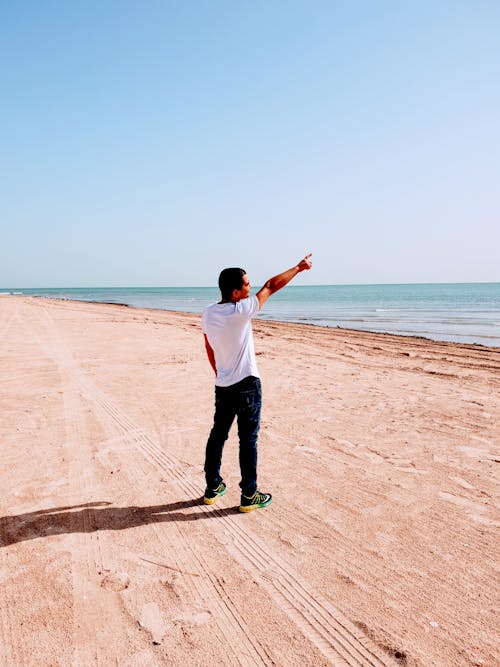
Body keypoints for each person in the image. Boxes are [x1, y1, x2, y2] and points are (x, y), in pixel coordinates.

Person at [201, 253, 313, 512]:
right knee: (248, 439)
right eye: (246, 284)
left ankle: (212, 487)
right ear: (236, 292)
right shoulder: (242, 310)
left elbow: (209, 347)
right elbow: (272, 286)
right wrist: (299, 267)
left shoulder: (208, 314)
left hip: (223, 384)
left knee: (218, 435)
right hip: (248, 383)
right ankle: (249, 495)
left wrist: (220, 373)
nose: (250, 287)